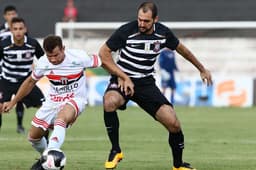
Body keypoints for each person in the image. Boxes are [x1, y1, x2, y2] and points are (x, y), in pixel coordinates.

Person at [99, 2, 212, 170]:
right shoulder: (126, 31)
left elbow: (183, 51)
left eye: (146, 21)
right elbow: (103, 54)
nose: (142, 24)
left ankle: (178, 164)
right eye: (140, 20)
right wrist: (122, 76)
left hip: (145, 83)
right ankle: (116, 150)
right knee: (109, 101)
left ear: (155, 20)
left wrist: (201, 69)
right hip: (122, 79)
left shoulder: (163, 33)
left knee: (173, 123)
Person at [2, 35, 102, 170]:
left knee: (61, 118)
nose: (53, 59)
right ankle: (47, 159)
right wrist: (13, 101)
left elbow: (104, 61)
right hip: (53, 101)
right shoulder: (43, 63)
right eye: (50, 56)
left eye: (56, 55)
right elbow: (30, 82)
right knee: (33, 137)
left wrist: (120, 77)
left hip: (76, 99)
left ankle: (51, 155)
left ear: (63, 49)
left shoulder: (79, 57)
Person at [0, 17, 45, 134]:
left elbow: (44, 60)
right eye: (15, 29)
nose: (18, 31)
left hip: (26, 82)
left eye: (21, 28)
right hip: (6, 81)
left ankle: (45, 142)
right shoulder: (3, 45)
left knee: (44, 107)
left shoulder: (32, 43)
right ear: (11, 30)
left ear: (25, 29)